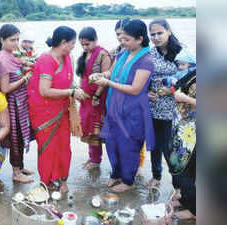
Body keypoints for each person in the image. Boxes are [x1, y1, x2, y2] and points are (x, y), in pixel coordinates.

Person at [93, 19, 155, 193]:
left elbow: (135, 89)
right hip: (115, 107)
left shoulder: (146, 60)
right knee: (113, 142)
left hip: (133, 110)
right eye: (121, 38)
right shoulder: (122, 53)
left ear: (140, 39)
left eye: (126, 39)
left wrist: (108, 83)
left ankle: (128, 181)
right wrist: (102, 75)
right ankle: (116, 174)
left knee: (129, 145)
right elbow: (111, 73)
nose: (122, 42)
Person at [27, 26, 85, 194]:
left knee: (63, 146)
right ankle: (47, 182)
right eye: (72, 43)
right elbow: (44, 91)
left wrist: (76, 88)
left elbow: (69, 80)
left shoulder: (68, 57)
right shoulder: (46, 60)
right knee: (48, 147)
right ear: (63, 42)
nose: (74, 46)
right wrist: (71, 92)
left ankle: (62, 179)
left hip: (62, 110)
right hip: (44, 112)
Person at [0, 24, 35, 183]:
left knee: (23, 135)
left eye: (17, 39)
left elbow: (20, 64)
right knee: (15, 137)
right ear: (2, 40)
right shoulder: (2, 59)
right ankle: (16, 173)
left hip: (21, 102)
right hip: (12, 104)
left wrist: (28, 64)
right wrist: (24, 79)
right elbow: (5, 88)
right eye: (12, 40)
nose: (16, 43)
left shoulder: (12, 55)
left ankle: (21, 166)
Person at [147, 19, 183, 187]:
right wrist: (146, 92)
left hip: (174, 109)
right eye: (152, 34)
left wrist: (173, 90)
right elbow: (144, 76)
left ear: (168, 31)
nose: (156, 37)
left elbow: (192, 78)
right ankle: (156, 176)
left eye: (159, 33)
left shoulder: (181, 52)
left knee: (171, 149)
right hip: (153, 107)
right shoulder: (151, 53)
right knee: (154, 145)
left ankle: (179, 185)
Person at [76, 27, 111, 169]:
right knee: (87, 126)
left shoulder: (103, 55)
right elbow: (83, 76)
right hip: (85, 97)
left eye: (87, 44)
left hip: (98, 97)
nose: (85, 47)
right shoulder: (85, 54)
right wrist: (79, 92)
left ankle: (97, 160)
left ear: (95, 40)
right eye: (82, 45)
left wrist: (96, 96)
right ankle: (92, 157)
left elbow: (105, 78)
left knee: (96, 129)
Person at [169, 68, 196, 220]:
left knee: (188, 170)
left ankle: (195, 210)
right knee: (179, 166)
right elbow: (179, 84)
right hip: (185, 129)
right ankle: (186, 199)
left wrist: (186, 99)